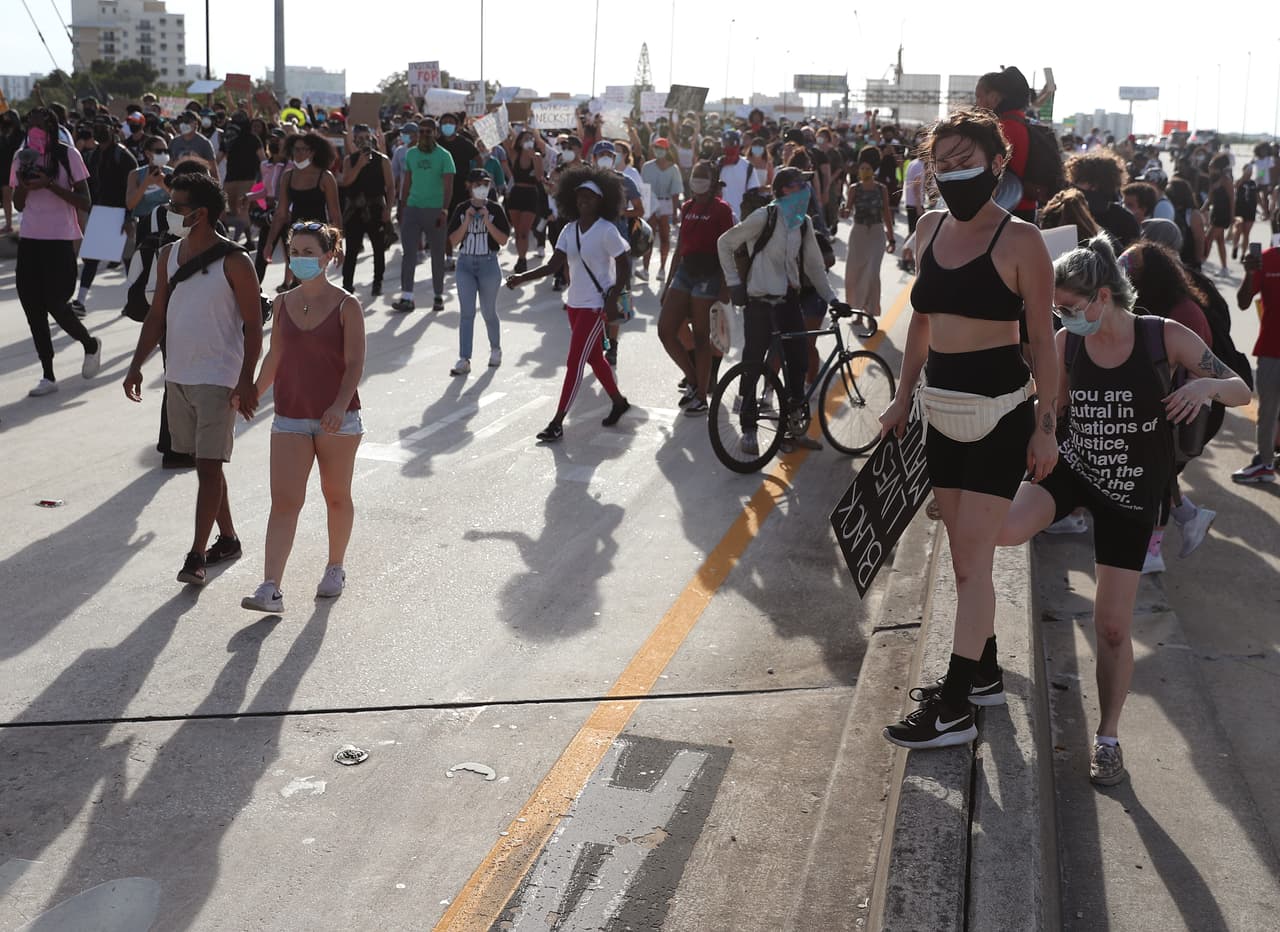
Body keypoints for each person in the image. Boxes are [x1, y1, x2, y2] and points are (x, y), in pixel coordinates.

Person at [996, 236, 1250, 785]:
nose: (1062, 316)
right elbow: (1050, 408)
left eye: (1068, 305)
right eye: (1056, 308)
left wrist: (1205, 384)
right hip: (1074, 470)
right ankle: (981, 661)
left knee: (1112, 629)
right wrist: (1032, 442)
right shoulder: (1067, 344)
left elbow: (1241, 390)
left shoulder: (1163, 335)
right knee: (1002, 529)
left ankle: (1107, 738)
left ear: (1103, 296)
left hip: (1132, 494)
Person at [879, 109, 1059, 750]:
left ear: (997, 165)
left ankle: (954, 707)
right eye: (942, 162)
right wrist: (903, 398)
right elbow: (922, 324)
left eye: (966, 161)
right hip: (941, 411)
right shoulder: (928, 229)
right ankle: (981, 671)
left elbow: (1044, 338)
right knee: (961, 556)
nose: (952, 174)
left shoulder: (1022, 242)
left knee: (972, 565)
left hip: (1000, 414)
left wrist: (1045, 426)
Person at [122, 171, 264, 586]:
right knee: (207, 466)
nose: (169, 213)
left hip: (218, 379)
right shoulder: (169, 255)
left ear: (200, 214)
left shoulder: (236, 261)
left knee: (206, 467)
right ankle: (230, 538)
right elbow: (157, 315)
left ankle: (197, 555)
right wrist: (136, 364)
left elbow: (254, 328)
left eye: (176, 207)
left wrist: (247, 380)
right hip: (178, 376)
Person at [240, 221, 366, 613]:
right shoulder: (281, 303)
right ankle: (270, 588)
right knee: (285, 501)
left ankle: (335, 566)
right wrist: (251, 394)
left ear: (329, 257)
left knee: (336, 496)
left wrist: (339, 404)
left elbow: (355, 364)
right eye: (294, 252)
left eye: (309, 253)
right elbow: (275, 357)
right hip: (290, 416)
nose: (300, 259)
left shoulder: (348, 305)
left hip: (337, 420)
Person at [716, 166, 843, 455]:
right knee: (753, 362)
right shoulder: (764, 217)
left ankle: (793, 429)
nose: (806, 190)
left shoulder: (803, 223)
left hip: (788, 301)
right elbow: (725, 243)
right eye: (801, 185)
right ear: (785, 190)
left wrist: (832, 298)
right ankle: (749, 428)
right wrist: (735, 284)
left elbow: (814, 265)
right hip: (759, 302)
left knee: (797, 363)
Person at [505, 169, 631, 442]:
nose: (583, 201)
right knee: (595, 357)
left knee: (575, 362)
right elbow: (553, 265)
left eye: (589, 197)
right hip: (574, 303)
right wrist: (521, 278)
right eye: (579, 196)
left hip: (595, 306)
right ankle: (618, 402)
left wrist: (612, 299)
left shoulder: (607, 230)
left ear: (601, 200)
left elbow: (624, 263)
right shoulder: (569, 229)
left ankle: (557, 421)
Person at [11, 107, 102, 398]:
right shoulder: (20, 156)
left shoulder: (68, 155)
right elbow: (18, 205)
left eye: (41, 124)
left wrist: (50, 184)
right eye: (31, 124)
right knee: (32, 308)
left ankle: (89, 344)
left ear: (52, 126)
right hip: (30, 241)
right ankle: (48, 375)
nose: (35, 129)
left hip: (61, 241)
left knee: (55, 302)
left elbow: (85, 202)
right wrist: (26, 183)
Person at [658, 160, 735, 414]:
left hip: (708, 275)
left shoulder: (722, 210)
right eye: (695, 175)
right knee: (666, 330)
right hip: (685, 273)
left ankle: (701, 396)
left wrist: (725, 285)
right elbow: (680, 245)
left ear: (712, 181)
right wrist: (669, 282)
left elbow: (728, 249)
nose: (697, 179)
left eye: (703, 176)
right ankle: (692, 380)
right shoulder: (687, 206)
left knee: (702, 337)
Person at [447, 169, 510, 375]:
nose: (482, 188)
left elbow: (502, 240)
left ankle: (496, 349)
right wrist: (466, 221)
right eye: (477, 184)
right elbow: (453, 241)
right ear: (469, 186)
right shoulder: (461, 208)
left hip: (489, 265)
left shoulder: (495, 209)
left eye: (485, 184)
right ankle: (464, 358)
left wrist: (487, 221)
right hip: (465, 264)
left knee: (488, 311)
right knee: (466, 313)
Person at [264, 133, 343, 293]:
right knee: (300, 281)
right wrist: (269, 242)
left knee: (316, 281)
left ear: (313, 152)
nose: (298, 153)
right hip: (296, 236)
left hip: (319, 236)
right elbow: (281, 213)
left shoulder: (325, 177)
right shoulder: (288, 176)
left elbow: (335, 215)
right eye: (295, 149)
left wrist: (338, 247)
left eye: (303, 149)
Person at [395, 117, 455, 313]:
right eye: (421, 131)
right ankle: (407, 297)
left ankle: (438, 296)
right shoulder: (411, 154)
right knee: (409, 254)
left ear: (435, 133)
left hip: (435, 210)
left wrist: (444, 210)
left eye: (428, 131)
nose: (424, 135)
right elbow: (407, 182)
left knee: (437, 255)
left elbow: (448, 187)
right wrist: (402, 208)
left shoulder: (444, 156)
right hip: (413, 208)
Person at [1234, 242, 1280, 483]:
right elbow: (1243, 302)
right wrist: (1250, 273)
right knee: (1269, 411)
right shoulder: (1265, 259)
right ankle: (1264, 463)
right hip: (1272, 349)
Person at [339, 123, 395, 298]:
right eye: (360, 138)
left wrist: (388, 209)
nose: (364, 141)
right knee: (352, 250)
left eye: (366, 138)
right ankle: (347, 285)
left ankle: (377, 283)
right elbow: (346, 181)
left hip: (376, 208)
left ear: (372, 138)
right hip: (355, 210)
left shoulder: (382, 160)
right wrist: (359, 165)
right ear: (355, 140)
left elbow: (391, 187)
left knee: (379, 249)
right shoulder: (350, 160)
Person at [844, 149, 896, 316]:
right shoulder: (854, 188)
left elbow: (886, 213)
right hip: (858, 234)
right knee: (856, 273)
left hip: (876, 234)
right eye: (862, 168)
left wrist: (891, 238)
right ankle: (857, 310)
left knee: (872, 273)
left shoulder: (881, 189)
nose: (864, 171)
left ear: (874, 170)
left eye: (868, 168)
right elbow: (847, 210)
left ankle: (871, 310)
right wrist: (843, 211)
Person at [1066, 150, 1141, 248]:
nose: (1074, 186)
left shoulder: (1125, 221)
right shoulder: (1067, 213)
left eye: (1081, 181)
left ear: (1095, 185)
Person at [436, 112, 480, 270]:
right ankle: (448, 257)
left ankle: (466, 254)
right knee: (444, 226)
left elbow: (478, 158)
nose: (447, 125)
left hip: (462, 189)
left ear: (457, 126)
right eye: (444, 122)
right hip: (441, 190)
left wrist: (474, 180)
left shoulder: (464, 143)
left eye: (451, 122)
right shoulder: (436, 143)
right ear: (440, 126)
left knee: (464, 224)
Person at [502, 127, 545, 274]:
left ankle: (522, 259)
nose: (528, 141)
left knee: (524, 232)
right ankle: (520, 258)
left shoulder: (537, 156)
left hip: (530, 194)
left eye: (531, 138)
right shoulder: (515, 155)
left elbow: (539, 177)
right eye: (525, 138)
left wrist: (534, 158)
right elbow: (505, 140)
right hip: (516, 194)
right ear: (520, 142)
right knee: (518, 230)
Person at [639, 139, 684, 279]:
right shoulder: (647, 166)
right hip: (650, 203)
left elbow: (676, 193)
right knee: (648, 237)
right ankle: (645, 270)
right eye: (656, 147)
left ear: (667, 150)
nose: (658, 150)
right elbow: (643, 189)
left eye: (661, 148)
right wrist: (644, 209)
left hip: (666, 203)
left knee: (665, 237)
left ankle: (662, 269)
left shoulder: (674, 169)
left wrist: (675, 212)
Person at [1167, 177, 1207, 271]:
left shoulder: (1192, 214)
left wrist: (1197, 262)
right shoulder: (1168, 208)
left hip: (1187, 260)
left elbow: (1199, 240)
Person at [1204, 153, 1234, 276]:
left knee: (1208, 238)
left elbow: (1232, 199)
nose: (1209, 167)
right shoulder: (1213, 179)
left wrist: (1232, 217)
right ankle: (1224, 268)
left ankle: (1200, 262)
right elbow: (1210, 198)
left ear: (1218, 167)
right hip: (1215, 213)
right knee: (1220, 241)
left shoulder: (1226, 179)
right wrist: (1202, 209)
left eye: (1211, 165)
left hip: (1223, 214)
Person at [1, 110, 25, 233]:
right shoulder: (2, 133)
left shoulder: (21, 134)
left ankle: (24, 224)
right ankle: (9, 224)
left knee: (21, 197)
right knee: (6, 197)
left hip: (18, 169)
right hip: (4, 169)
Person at [1230, 162, 1258, 264]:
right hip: (1239, 209)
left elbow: (1257, 196)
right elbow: (1235, 186)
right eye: (1248, 171)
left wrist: (1264, 209)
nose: (1249, 173)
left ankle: (1243, 254)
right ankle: (1235, 246)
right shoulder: (1239, 181)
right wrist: (1243, 176)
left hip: (1250, 210)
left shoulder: (1253, 183)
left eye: (1251, 172)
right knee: (1238, 228)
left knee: (1246, 233)